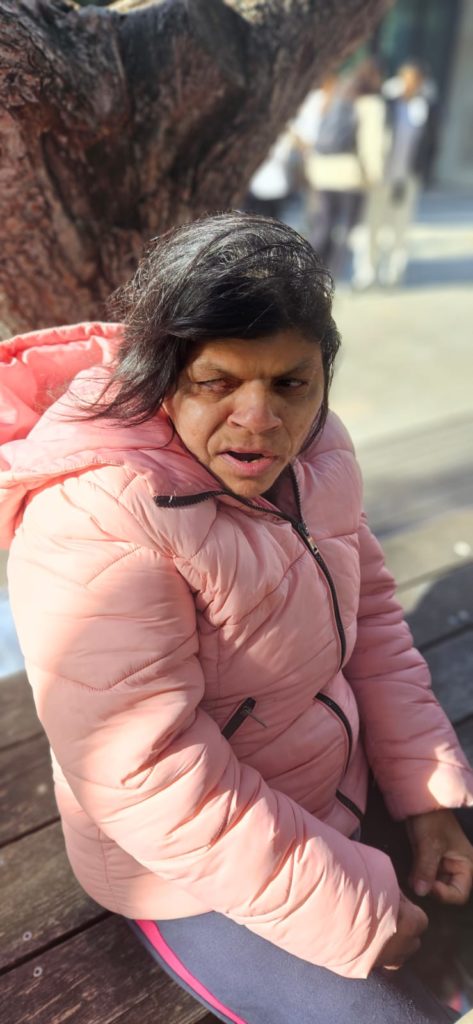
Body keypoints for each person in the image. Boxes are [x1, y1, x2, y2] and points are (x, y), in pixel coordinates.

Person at [1, 212, 473, 1024]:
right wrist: (354, 910)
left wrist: (426, 797)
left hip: (334, 778)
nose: (259, 418)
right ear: (160, 377)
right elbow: (150, 776)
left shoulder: (318, 451)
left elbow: (373, 625)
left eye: (290, 383)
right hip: (185, 868)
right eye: (215, 382)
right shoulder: (96, 517)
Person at [300, 61, 387, 282]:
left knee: (322, 225)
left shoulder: (336, 95)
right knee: (345, 229)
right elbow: (372, 144)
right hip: (351, 177)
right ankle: (331, 278)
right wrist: (375, 177)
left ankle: (308, 273)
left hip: (323, 173)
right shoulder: (371, 103)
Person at [370, 61, 437, 286]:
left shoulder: (425, 106)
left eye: (415, 80)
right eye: (406, 79)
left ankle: (394, 272)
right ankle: (368, 270)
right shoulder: (387, 103)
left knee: (401, 226)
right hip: (382, 174)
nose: (410, 84)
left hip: (408, 176)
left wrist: (426, 172)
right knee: (373, 223)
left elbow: (432, 142)